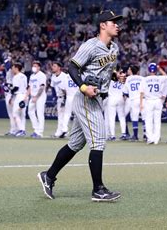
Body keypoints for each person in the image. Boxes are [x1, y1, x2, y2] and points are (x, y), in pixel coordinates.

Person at [37, 10, 125, 202]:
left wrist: (115, 75)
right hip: (86, 98)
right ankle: (98, 189)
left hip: (98, 97)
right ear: (103, 25)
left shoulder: (114, 48)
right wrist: (84, 87)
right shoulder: (91, 45)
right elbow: (72, 67)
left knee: (75, 143)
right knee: (99, 141)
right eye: (113, 22)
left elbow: (103, 70)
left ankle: (48, 176)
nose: (117, 25)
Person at [140, 63, 167, 144]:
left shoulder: (144, 79)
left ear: (148, 70)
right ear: (156, 70)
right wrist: (159, 69)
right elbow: (166, 76)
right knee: (157, 121)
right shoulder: (160, 78)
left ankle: (150, 138)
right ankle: (156, 139)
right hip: (158, 101)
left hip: (148, 101)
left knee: (148, 120)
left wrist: (141, 103)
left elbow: (141, 92)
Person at [123, 65, 144, 141]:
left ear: (131, 70)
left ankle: (135, 135)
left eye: (129, 69)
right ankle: (145, 135)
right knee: (144, 117)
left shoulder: (128, 79)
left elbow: (125, 92)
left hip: (133, 100)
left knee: (134, 118)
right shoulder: (142, 78)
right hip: (142, 99)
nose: (128, 70)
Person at [27, 60, 47, 138]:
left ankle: (40, 132)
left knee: (39, 113)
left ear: (39, 67)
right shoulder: (32, 76)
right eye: (33, 66)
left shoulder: (42, 75)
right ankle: (36, 129)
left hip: (40, 96)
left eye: (35, 66)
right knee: (30, 112)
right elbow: (30, 87)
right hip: (33, 96)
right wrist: (26, 96)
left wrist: (36, 97)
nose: (34, 67)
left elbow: (42, 87)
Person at [50, 61, 70, 138]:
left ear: (59, 67)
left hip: (65, 98)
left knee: (65, 115)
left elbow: (66, 89)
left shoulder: (65, 76)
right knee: (60, 116)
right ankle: (60, 132)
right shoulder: (53, 76)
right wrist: (53, 97)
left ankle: (64, 131)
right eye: (53, 66)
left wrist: (65, 99)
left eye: (54, 66)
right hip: (59, 98)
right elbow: (52, 87)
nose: (53, 67)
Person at [107, 66, 127, 141]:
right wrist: (120, 73)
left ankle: (112, 135)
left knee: (112, 117)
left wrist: (116, 72)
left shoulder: (110, 80)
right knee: (122, 117)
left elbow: (111, 74)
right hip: (120, 98)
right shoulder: (122, 80)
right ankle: (124, 134)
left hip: (112, 98)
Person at [10, 62, 28, 137]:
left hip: (19, 95)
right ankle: (21, 130)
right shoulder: (24, 76)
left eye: (13, 68)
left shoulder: (16, 76)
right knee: (22, 115)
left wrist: (10, 90)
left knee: (15, 113)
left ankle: (21, 130)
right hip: (24, 95)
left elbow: (16, 88)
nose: (12, 69)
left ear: (16, 68)